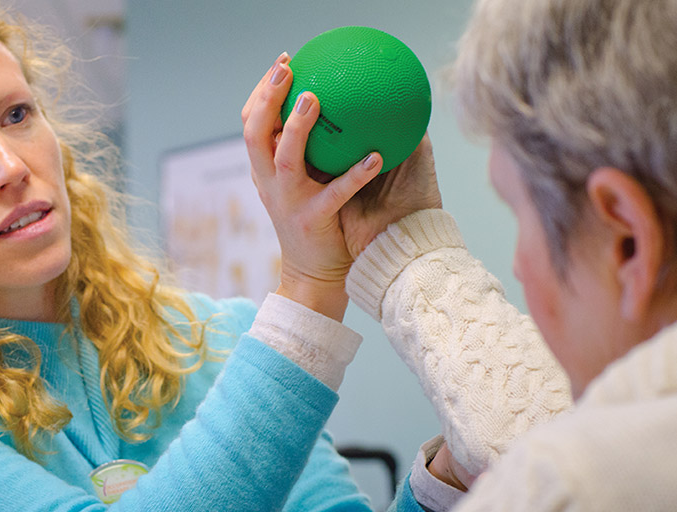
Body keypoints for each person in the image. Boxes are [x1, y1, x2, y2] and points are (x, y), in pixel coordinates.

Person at [0, 0, 399, 510]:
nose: (11, 167)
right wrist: (311, 291)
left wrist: (448, 475)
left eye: (17, 115)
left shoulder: (220, 339)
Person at [256, 0, 677, 509]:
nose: (520, 263)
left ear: (628, 241)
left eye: (518, 213)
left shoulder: (579, 483)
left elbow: (559, 459)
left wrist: (336, 272)